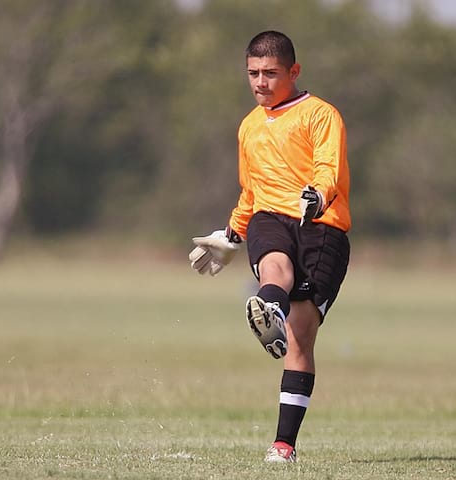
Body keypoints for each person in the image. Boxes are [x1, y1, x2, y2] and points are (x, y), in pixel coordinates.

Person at [188, 30, 351, 463]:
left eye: (271, 73)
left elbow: (328, 167)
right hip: (270, 219)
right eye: (253, 73)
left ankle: (284, 444)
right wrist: (231, 233)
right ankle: (269, 308)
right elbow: (251, 191)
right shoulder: (248, 126)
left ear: (293, 72)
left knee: (300, 337)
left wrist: (317, 193)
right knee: (274, 265)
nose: (260, 82)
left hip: (321, 225)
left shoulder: (320, 115)